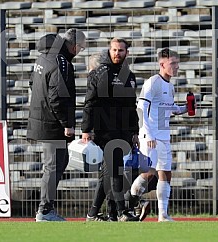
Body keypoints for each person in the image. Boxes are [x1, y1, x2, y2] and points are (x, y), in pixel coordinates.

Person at [27, 29, 86, 222]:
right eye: (80, 48)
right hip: (53, 124)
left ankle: (47, 207)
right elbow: (58, 97)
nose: (79, 51)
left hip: (42, 119)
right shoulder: (61, 62)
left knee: (59, 162)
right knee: (53, 166)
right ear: (74, 46)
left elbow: (31, 83)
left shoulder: (43, 57)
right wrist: (67, 124)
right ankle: (44, 210)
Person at [81, 38, 140, 222]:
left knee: (108, 174)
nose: (117, 53)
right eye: (114, 50)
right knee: (115, 170)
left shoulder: (129, 76)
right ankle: (123, 211)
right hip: (104, 131)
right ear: (109, 50)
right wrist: (86, 129)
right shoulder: (100, 73)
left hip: (123, 131)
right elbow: (90, 102)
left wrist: (134, 131)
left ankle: (105, 213)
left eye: (120, 50)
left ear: (126, 53)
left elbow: (131, 107)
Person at [130, 48, 188, 222]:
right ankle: (129, 200)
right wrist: (147, 134)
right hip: (151, 135)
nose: (176, 67)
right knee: (151, 172)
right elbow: (141, 108)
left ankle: (163, 215)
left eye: (177, 63)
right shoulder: (153, 82)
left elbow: (169, 109)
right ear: (162, 64)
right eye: (173, 63)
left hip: (163, 135)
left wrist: (185, 108)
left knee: (166, 173)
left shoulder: (170, 86)